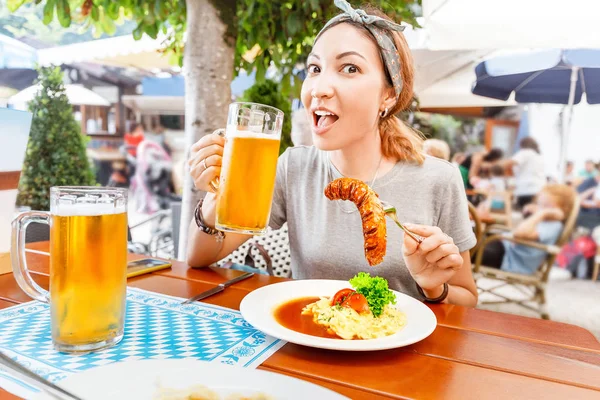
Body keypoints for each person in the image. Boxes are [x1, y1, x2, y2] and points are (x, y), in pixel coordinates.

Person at [186, 0, 478, 307]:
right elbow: (200, 258)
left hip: (400, 350)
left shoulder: (439, 179)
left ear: (389, 94)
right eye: (315, 68)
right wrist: (216, 195)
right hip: (306, 341)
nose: (319, 88)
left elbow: (467, 299)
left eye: (349, 68)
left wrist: (434, 288)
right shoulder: (294, 167)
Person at [478, 184, 576, 275]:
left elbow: (519, 233)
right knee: (468, 241)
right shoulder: (544, 222)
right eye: (539, 205)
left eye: (545, 206)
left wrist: (542, 214)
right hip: (502, 249)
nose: (540, 209)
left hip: (507, 258)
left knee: (467, 251)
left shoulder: (554, 225)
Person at [504, 137, 545, 210]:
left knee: (526, 212)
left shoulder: (525, 152)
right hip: (539, 188)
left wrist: (495, 166)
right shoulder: (537, 155)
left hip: (527, 189)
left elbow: (510, 163)